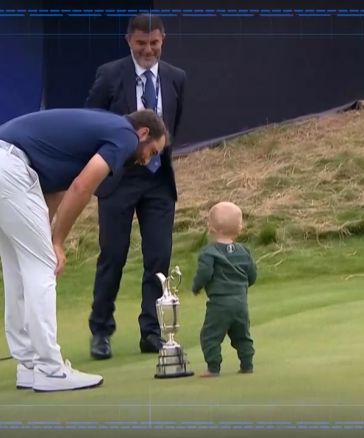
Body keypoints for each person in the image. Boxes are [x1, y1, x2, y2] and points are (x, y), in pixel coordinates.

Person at [0, 108, 167, 392]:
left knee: (18, 265)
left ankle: (29, 365)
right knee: (41, 265)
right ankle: (50, 368)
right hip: (5, 166)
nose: (147, 160)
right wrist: (55, 243)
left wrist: (46, 238)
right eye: (152, 151)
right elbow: (82, 187)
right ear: (143, 133)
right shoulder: (125, 135)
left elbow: (55, 192)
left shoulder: (91, 138)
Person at [85, 13, 187, 360]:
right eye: (141, 43)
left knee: (158, 258)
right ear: (129, 40)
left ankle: (152, 331)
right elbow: (92, 122)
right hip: (118, 179)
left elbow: (173, 126)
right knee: (112, 256)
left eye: (154, 43)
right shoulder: (109, 75)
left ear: (163, 40)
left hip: (158, 182)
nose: (148, 50)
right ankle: (101, 331)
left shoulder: (176, 78)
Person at [191, 202, 257, 377]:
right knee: (242, 335)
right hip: (241, 302)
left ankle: (213, 367)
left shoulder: (209, 252)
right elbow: (252, 274)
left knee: (210, 336)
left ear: (211, 227)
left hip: (219, 303)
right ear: (240, 227)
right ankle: (247, 364)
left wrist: (196, 286)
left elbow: (205, 273)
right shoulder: (244, 251)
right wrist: (243, 286)